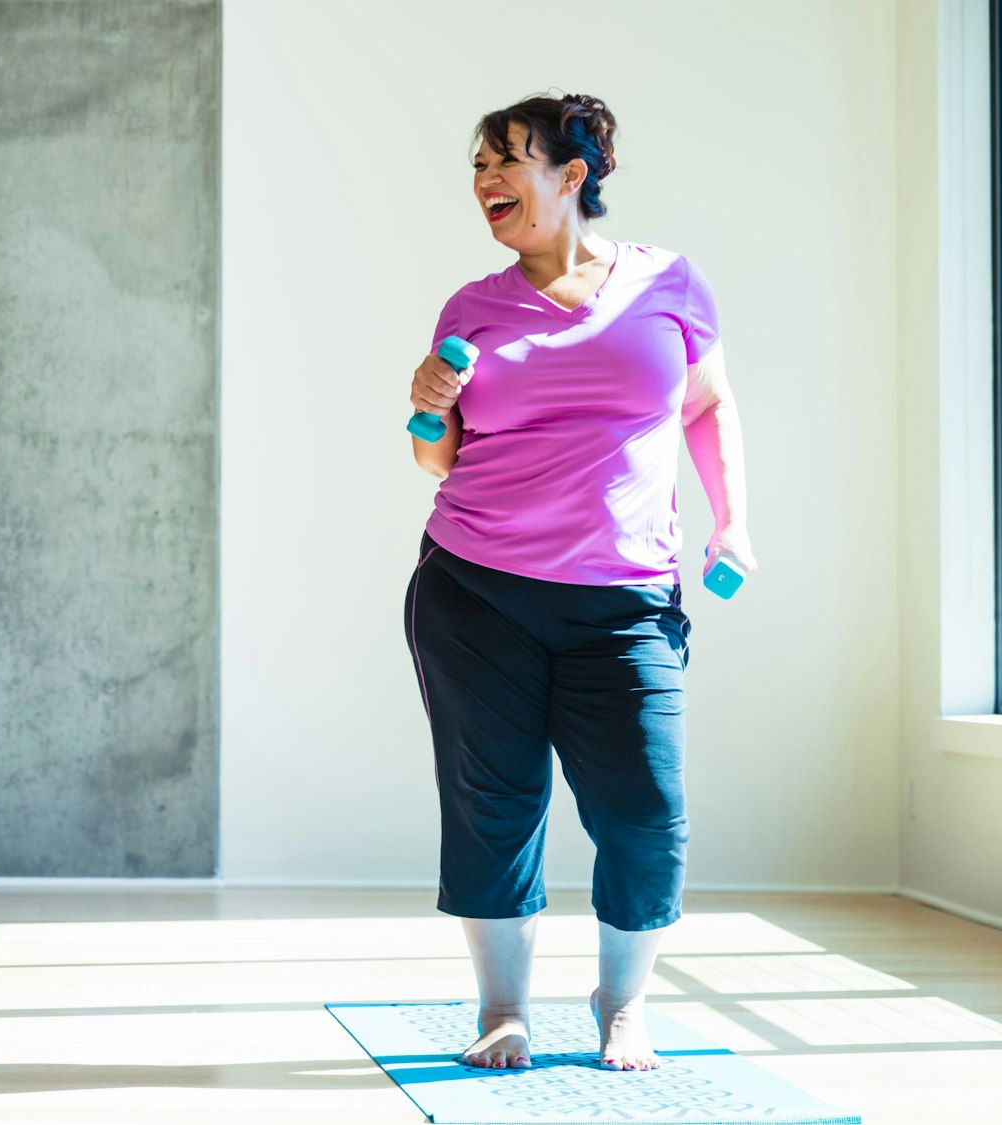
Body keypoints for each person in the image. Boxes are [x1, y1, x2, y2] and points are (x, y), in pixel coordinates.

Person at [403, 93, 753, 1072]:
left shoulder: (666, 284)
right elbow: (438, 460)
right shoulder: (470, 308)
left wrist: (734, 521)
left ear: (569, 175)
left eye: (505, 160)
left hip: (626, 598)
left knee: (644, 811)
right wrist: (426, 409)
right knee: (494, 803)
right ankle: (501, 1006)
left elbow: (707, 406)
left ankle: (620, 1000)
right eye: (476, 165)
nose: (484, 182)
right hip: (475, 589)